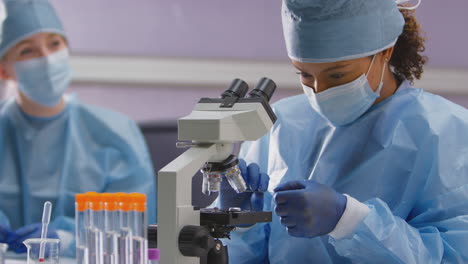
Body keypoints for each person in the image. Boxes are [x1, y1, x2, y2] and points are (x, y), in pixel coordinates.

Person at [218, 0, 468, 263]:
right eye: (304, 74)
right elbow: (242, 257)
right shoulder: (281, 123)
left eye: (337, 76)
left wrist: (350, 220)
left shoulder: (446, 131)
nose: (319, 90)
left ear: (385, 51)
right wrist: (239, 222)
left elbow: (454, 255)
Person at [0, 0, 156, 257]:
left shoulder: (115, 134)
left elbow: (134, 226)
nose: (48, 59)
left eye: (54, 43)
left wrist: (66, 237)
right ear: (4, 70)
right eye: (28, 51)